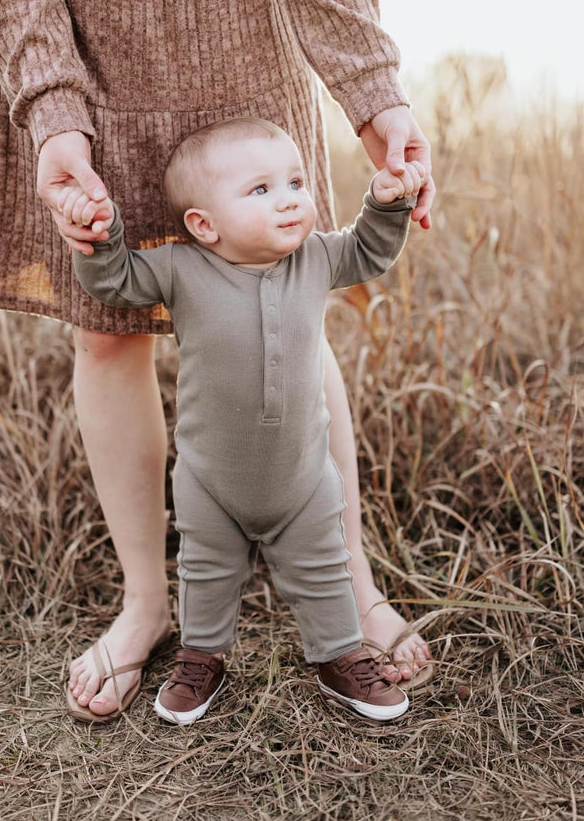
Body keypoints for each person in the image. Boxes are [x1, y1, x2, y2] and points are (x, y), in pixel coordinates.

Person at [0, 0, 435, 723]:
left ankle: (348, 582)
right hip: (65, 3)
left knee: (285, 293)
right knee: (104, 323)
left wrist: (371, 89)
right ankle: (147, 601)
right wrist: (53, 106)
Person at [70, 117, 426, 724]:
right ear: (203, 224)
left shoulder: (315, 257)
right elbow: (116, 283)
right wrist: (101, 238)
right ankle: (200, 660)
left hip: (304, 477)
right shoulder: (180, 268)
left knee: (324, 571)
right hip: (211, 479)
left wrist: (386, 205)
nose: (288, 198)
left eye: (293, 181)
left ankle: (341, 659)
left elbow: (370, 249)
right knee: (206, 572)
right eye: (259, 190)